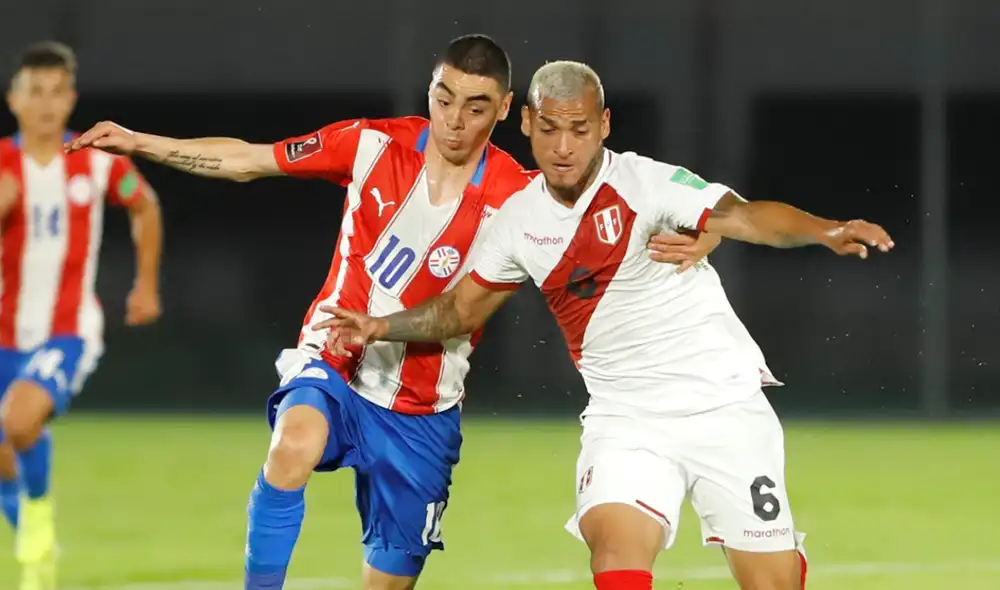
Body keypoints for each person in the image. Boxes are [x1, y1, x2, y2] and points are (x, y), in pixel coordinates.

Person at [67, 36, 720, 590]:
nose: (454, 120)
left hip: (422, 414)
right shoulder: (372, 145)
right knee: (292, 446)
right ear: (430, 91)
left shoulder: (522, 199)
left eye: (474, 107)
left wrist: (707, 228)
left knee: (388, 577)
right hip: (335, 363)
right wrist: (139, 142)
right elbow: (250, 160)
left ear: (504, 113)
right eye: (443, 98)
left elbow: (620, 214)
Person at [315, 60, 895, 590]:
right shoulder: (517, 220)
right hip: (625, 418)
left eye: (579, 129)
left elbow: (744, 215)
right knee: (615, 558)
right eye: (549, 129)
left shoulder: (649, 184)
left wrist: (824, 229)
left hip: (724, 407)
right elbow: (459, 310)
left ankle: (784, 560)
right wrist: (379, 326)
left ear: (605, 125)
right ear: (526, 123)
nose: (564, 146)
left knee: (772, 584)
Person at [0, 41, 163, 590]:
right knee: (6, 441)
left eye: (56, 92)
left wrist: (145, 284)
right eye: (34, 92)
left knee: (19, 419)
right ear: (14, 99)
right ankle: (31, 531)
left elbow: (144, 205)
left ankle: (38, 512)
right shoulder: (2, 163)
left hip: (68, 328)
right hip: (3, 330)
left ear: (71, 99)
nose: (46, 104)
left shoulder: (94, 160)